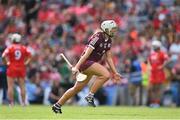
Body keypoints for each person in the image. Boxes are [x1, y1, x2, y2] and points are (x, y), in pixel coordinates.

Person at [52, 20, 122, 114]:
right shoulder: (97, 37)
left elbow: (109, 58)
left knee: (76, 88)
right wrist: (77, 66)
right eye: (113, 29)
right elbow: (85, 54)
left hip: (91, 64)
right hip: (87, 62)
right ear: (106, 29)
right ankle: (90, 95)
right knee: (106, 75)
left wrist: (115, 72)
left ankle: (57, 105)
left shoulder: (108, 40)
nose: (114, 31)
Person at [2, 33, 32, 106]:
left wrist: (6, 63)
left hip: (12, 67)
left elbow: (3, 56)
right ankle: (24, 103)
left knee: (10, 86)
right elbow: (30, 55)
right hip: (21, 67)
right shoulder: (23, 48)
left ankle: (11, 103)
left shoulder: (10, 47)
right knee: (22, 86)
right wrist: (26, 63)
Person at [148, 40, 169, 107]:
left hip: (159, 74)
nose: (153, 47)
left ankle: (157, 103)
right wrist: (150, 67)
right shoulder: (152, 54)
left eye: (154, 46)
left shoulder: (162, 53)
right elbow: (149, 62)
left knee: (157, 89)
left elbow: (167, 60)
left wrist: (162, 66)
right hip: (153, 74)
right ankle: (153, 102)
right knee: (151, 88)